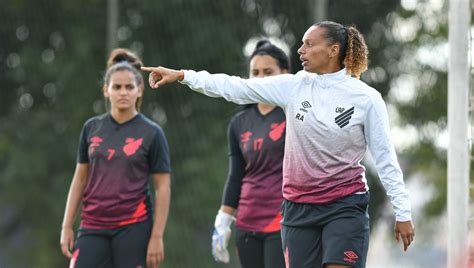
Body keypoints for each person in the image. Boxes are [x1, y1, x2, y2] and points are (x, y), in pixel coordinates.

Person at [142, 20, 415, 268]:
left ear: (333, 50)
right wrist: (182, 75)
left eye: (309, 44)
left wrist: (402, 212)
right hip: (298, 209)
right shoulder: (293, 86)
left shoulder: (366, 99)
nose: (300, 50)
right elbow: (235, 87)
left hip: (344, 206)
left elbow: (385, 158)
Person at [60, 48, 171, 268]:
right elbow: (80, 179)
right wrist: (66, 226)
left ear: (139, 90)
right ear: (106, 90)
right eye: (117, 87)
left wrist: (157, 236)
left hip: (135, 226)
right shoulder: (92, 128)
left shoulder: (152, 132)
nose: (123, 92)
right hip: (92, 225)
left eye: (129, 87)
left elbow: (162, 186)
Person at [211, 40, 288, 268]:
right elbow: (235, 176)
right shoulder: (238, 123)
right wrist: (223, 221)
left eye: (268, 72)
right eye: (255, 72)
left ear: (285, 74)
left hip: (283, 220)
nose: (260, 78)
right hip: (246, 222)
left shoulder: (293, 115)